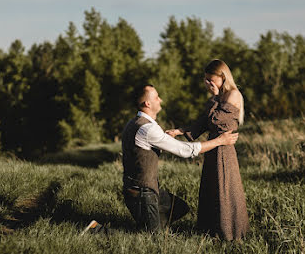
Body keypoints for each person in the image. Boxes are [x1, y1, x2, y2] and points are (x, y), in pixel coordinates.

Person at [82, 84, 238, 234]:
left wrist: (165, 139)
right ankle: (96, 229)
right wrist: (220, 141)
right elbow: (186, 151)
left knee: (179, 208)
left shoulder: (135, 123)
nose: (161, 100)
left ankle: (151, 223)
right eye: (157, 97)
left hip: (144, 189)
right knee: (148, 238)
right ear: (147, 103)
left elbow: (144, 148)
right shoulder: (147, 129)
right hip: (141, 194)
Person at [166, 59, 250, 240]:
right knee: (211, 187)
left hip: (224, 149)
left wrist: (214, 97)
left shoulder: (233, 94)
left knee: (224, 188)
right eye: (205, 80)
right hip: (214, 144)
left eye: (211, 80)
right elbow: (203, 122)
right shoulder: (218, 97)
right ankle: (210, 230)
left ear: (223, 77)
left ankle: (229, 233)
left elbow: (216, 120)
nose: (207, 83)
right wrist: (179, 131)